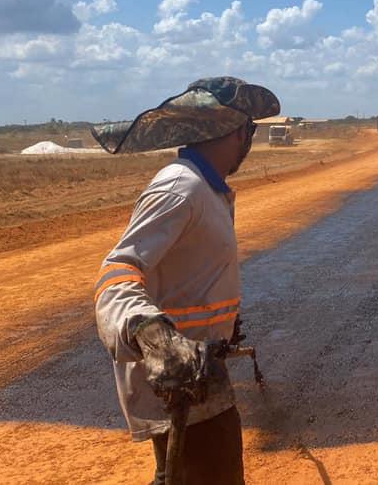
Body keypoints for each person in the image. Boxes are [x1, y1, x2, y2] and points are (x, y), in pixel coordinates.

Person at [90, 77, 280, 484]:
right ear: (238, 132)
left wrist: (222, 326)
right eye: (248, 129)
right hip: (178, 386)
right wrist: (147, 331)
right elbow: (117, 270)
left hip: (201, 376)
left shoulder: (207, 189)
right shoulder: (181, 188)